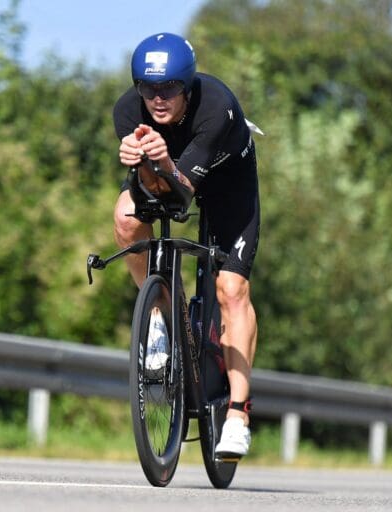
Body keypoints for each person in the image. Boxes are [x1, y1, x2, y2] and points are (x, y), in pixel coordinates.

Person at [112, 32, 261, 456]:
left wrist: (159, 161)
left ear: (188, 85)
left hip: (227, 184)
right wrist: (141, 163)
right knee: (125, 218)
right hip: (170, 172)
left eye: (170, 88)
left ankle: (237, 413)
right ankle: (161, 318)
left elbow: (181, 197)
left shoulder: (216, 107)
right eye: (148, 88)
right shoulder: (127, 110)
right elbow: (150, 193)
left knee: (231, 290)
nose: (158, 98)